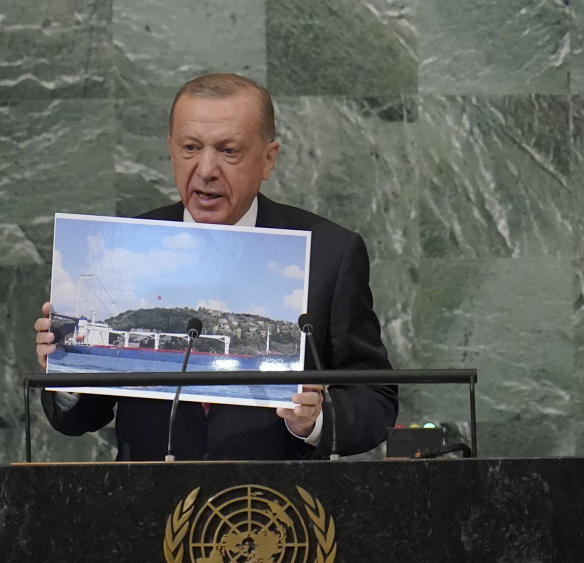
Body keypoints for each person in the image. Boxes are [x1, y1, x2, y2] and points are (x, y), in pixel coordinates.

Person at [33, 73, 397, 460]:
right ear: (171, 150)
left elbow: (375, 398)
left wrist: (316, 420)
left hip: (277, 507)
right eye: (190, 148)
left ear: (268, 158)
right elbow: (77, 420)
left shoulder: (330, 253)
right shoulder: (123, 248)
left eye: (228, 151)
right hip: (147, 503)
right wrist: (66, 369)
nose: (206, 169)